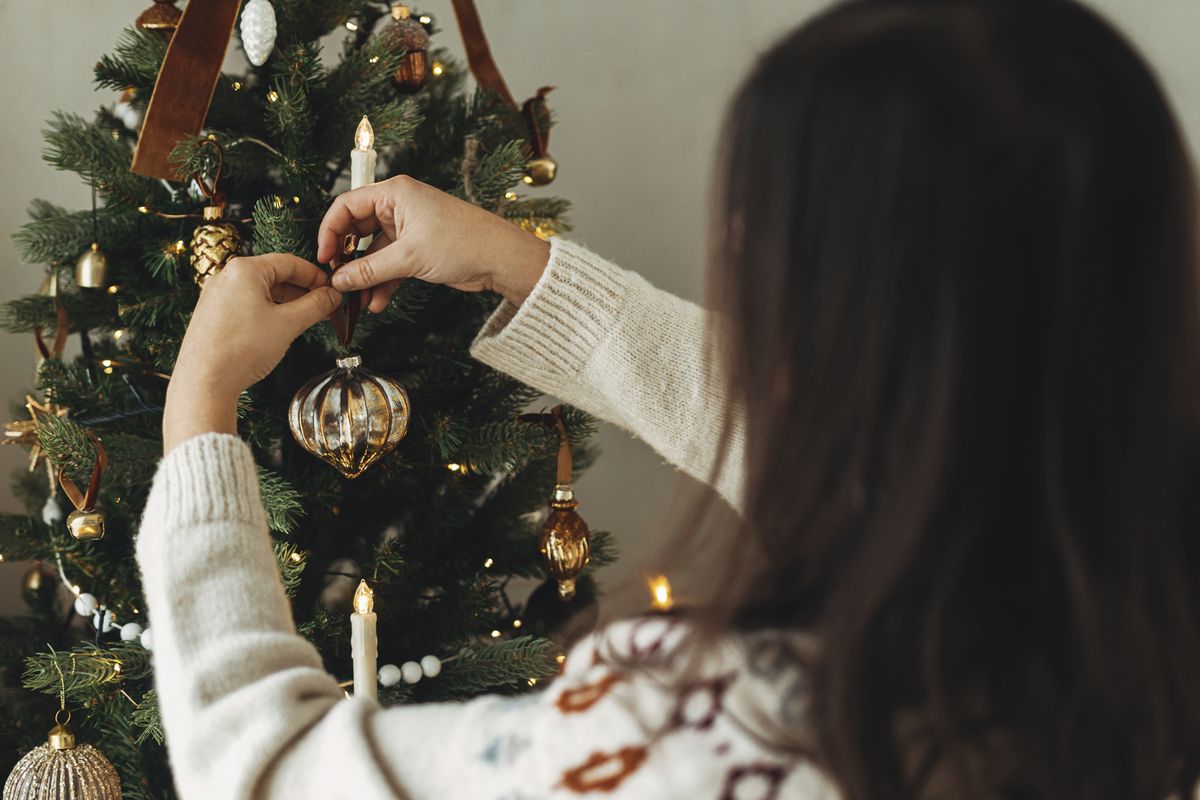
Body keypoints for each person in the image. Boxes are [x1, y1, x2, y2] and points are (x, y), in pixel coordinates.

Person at [138, 0, 1200, 797]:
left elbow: (262, 762)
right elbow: (854, 448)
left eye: (748, 233)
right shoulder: (1124, 624)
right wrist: (521, 266)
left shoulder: (705, 738)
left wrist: (198, 412)